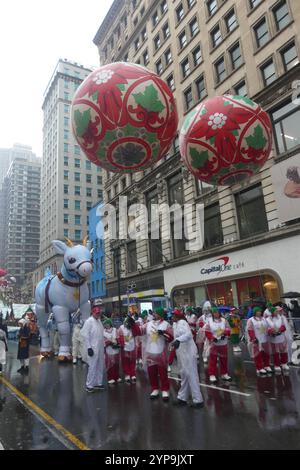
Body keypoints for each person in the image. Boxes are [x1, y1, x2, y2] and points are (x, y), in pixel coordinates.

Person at [133, 307, 173, 400]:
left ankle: (165, 390)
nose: (154, 314)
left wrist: (163, 333)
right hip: (150, 352)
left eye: (156, 313)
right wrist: (133, 325)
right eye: (154, 313)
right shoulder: (148, 324)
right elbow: (139, 331)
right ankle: (155, 388)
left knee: (163, 372)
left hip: (161, 352)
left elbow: (170, 337)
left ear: (160, 314)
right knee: (152, 372)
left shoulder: (166, 325)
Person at [172, 309, 204, 408]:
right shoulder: (175, 324)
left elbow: (188, 335)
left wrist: (178, 340)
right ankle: (182, 397)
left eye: (174, 315)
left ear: (178, 316)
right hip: (182, 353)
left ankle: (198, 400)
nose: (172, 317)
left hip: (188, 353)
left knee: (191, 375)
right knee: (184, 374)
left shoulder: (182, 322)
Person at [81, 301, 105, 393]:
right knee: (92, 366)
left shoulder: (99, 321)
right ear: (93, 313)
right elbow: (85, 335)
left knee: (100, 366)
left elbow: (101, 333)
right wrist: (89, 347)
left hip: (100, 347)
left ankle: (98, 383)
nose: (98, 315)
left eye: (99, 313)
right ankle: (89, 385)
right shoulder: (89, 321)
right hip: (93, 348)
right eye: (97, 313)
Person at [205, 307, 232, 383]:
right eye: (214, 313)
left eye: (217, 312)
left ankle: (224, 373)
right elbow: (207, 331)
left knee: (224, 359)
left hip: (223, 343)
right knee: (213, 359)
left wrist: (225, 334)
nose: (216, 314)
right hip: (214, 343)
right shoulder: (209, 321)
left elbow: (228, 329)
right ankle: (212, 374)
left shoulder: (224, 320)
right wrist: (212, 338)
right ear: (212, 314)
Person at [246, 306, 271, 375]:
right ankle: (259, 367)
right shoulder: (251, 320)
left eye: (260, 311)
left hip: (265, 338)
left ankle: (267, 365)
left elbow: (268, 327)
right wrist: (253, 338)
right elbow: (250, 330)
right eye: (257, 311)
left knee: (266, 353)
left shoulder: (264, 319)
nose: (259, 313)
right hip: (257, 339)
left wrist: (270, 332)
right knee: (257, 354)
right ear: (254, 312)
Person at [266, 306, 289, 372]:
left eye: (277, 311)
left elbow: (284, 326)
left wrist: (279, 330)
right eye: (276, 311)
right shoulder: (267, 319)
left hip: (281, 336)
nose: (277, 312)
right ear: (272, 312)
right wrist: (271, 331)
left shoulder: (281, 318)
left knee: (283, 350)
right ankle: (277, 364)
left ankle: (284, 363)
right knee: (275, 351)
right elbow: (265, 328)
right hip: (273, 338)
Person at [118, 315, 137, 383]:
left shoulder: (133, 327)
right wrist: (122, 344)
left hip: (132, 346)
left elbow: (137, 332)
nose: (127, 324)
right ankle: (127, 374)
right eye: (126, 322)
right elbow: (119, 336)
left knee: (132, 361)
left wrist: (133, 323)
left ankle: (133, 374)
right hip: (125, 347)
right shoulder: (121, 328)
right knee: (125, 361)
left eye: (128, 322)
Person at [103, 318, 121, 384]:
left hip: (115, 349)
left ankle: (117, 376)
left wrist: (117, 342)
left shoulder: (115, 330)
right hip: (108, 350)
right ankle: (110, 378)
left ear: (110, 324)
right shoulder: (103, 331)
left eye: (108, 323)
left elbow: (118, 337)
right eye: (105, 324)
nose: (107, 325)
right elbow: (103, 341)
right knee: (109, 364)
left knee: (116, 364)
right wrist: (109, 342)